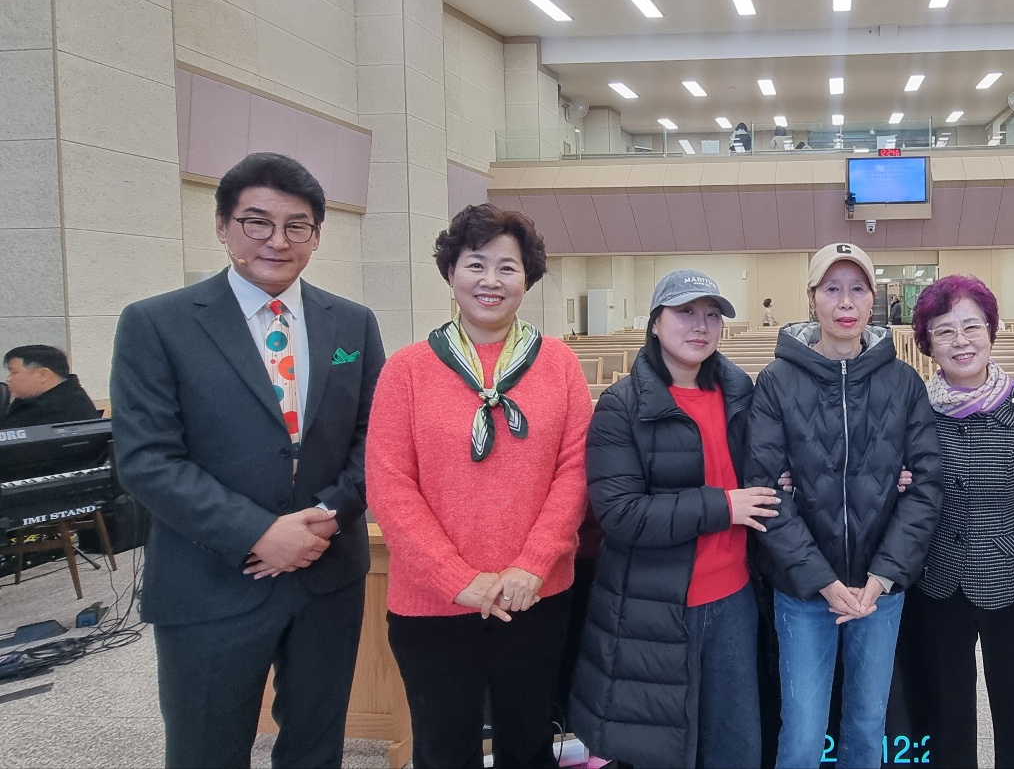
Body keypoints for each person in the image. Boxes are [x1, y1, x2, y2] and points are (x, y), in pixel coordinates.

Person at [110, 152, 386, 769]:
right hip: (211, 576)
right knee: (207, 749)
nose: (277, 241)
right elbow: (148, 459)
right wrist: (259, 533)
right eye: (257, 222)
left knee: (316, 748)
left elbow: (376, 438)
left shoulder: (352, 324)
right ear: (222, 225)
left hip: (327, 573)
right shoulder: (158, 324)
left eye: (296, 225)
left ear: (316, 235)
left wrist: (328, 515)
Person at [366, 204, 591, 769]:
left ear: (527, 278)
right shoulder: (406, 370)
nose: (491, 280)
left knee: (529, 743)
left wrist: (532, 565)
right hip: (432, 601)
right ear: (451, 271)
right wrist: (456, 579)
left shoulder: (560, 364)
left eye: (507, 267)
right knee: (444, 749)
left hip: (535, 595)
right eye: (476, 264)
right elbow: (390, 486)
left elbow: (576, 471)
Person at [746, 242, 942, 769]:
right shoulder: (776, 381)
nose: (845, 302)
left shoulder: (903, 382)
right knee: (803, 733)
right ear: (812, 298)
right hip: (804, 589)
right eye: (832, 289)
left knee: (866, 726)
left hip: (879, 588)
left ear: (873, 298)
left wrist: (882, 577)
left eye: (857, 288)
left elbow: (925, 486)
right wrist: (823, 581)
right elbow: (765, 490)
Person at [572, 270, 778, 768]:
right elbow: (620, 513)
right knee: (663, 752)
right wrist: (723, 506)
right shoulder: (621, 406)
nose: (700, 325)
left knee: (735, 748)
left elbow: (782, 464)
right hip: (654, 605)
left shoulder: (740, 393)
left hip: (734, 600)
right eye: (685, 312)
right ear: (655, 323)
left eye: (712, 315)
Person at [899, 275, 1014, 769]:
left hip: (1013, 585)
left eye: (971, 326)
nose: (961, 341)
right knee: (945, 717)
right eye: (944, 330)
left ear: (991, 331)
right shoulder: (914, 410)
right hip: (936, 585)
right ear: (928, 343)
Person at [1, 344, 99, 429]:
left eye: (13, 372)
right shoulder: (30, 399)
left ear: (42, 375)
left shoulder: (64, 411)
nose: (8, 379)